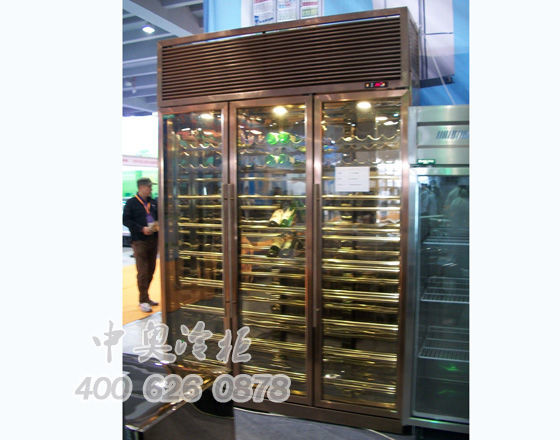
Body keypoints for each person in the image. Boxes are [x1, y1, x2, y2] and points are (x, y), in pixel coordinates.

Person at [123, 177, 160, 313]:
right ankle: (143, 300)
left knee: (151, 270)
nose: (151, 189)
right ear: (141, 187)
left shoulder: (153, 202)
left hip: (153, 239)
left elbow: (158, 218)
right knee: (143, 271)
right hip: (139, 241)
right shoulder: (131, 203)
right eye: (149, 187)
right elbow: (126, 220)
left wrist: (157, 226)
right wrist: (140, 229)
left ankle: (146, 296)